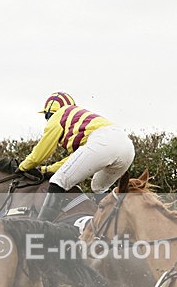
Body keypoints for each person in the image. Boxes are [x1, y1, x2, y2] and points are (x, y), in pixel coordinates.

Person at [14, 92, 135, 221]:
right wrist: (46, 169)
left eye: (47, 116)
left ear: (49, 113)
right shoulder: (80, 123)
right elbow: (73, 161)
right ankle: (111, 223)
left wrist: (22, 167)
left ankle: (43, 226)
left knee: (58, 181)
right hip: (127, 147)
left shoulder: (59, 116)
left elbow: (40, 152)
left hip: (104, 141)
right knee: (98, 188)